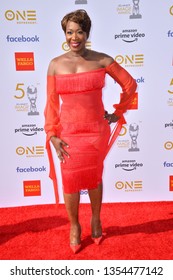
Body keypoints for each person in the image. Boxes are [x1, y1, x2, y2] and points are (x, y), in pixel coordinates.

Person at [44, 9, 137, 254]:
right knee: (71, 181)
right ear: (64, 34)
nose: (74, 37)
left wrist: (118, 111)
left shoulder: (102, 60)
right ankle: (74, 225)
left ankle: (96, 219)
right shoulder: (55, 65)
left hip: (96, 131)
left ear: (87, 33)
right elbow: (51, 103)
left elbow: (130, 84)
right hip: (68, 134)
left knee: (94, 177)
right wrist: (52, 134)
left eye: (80, 31)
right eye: (69, 32)